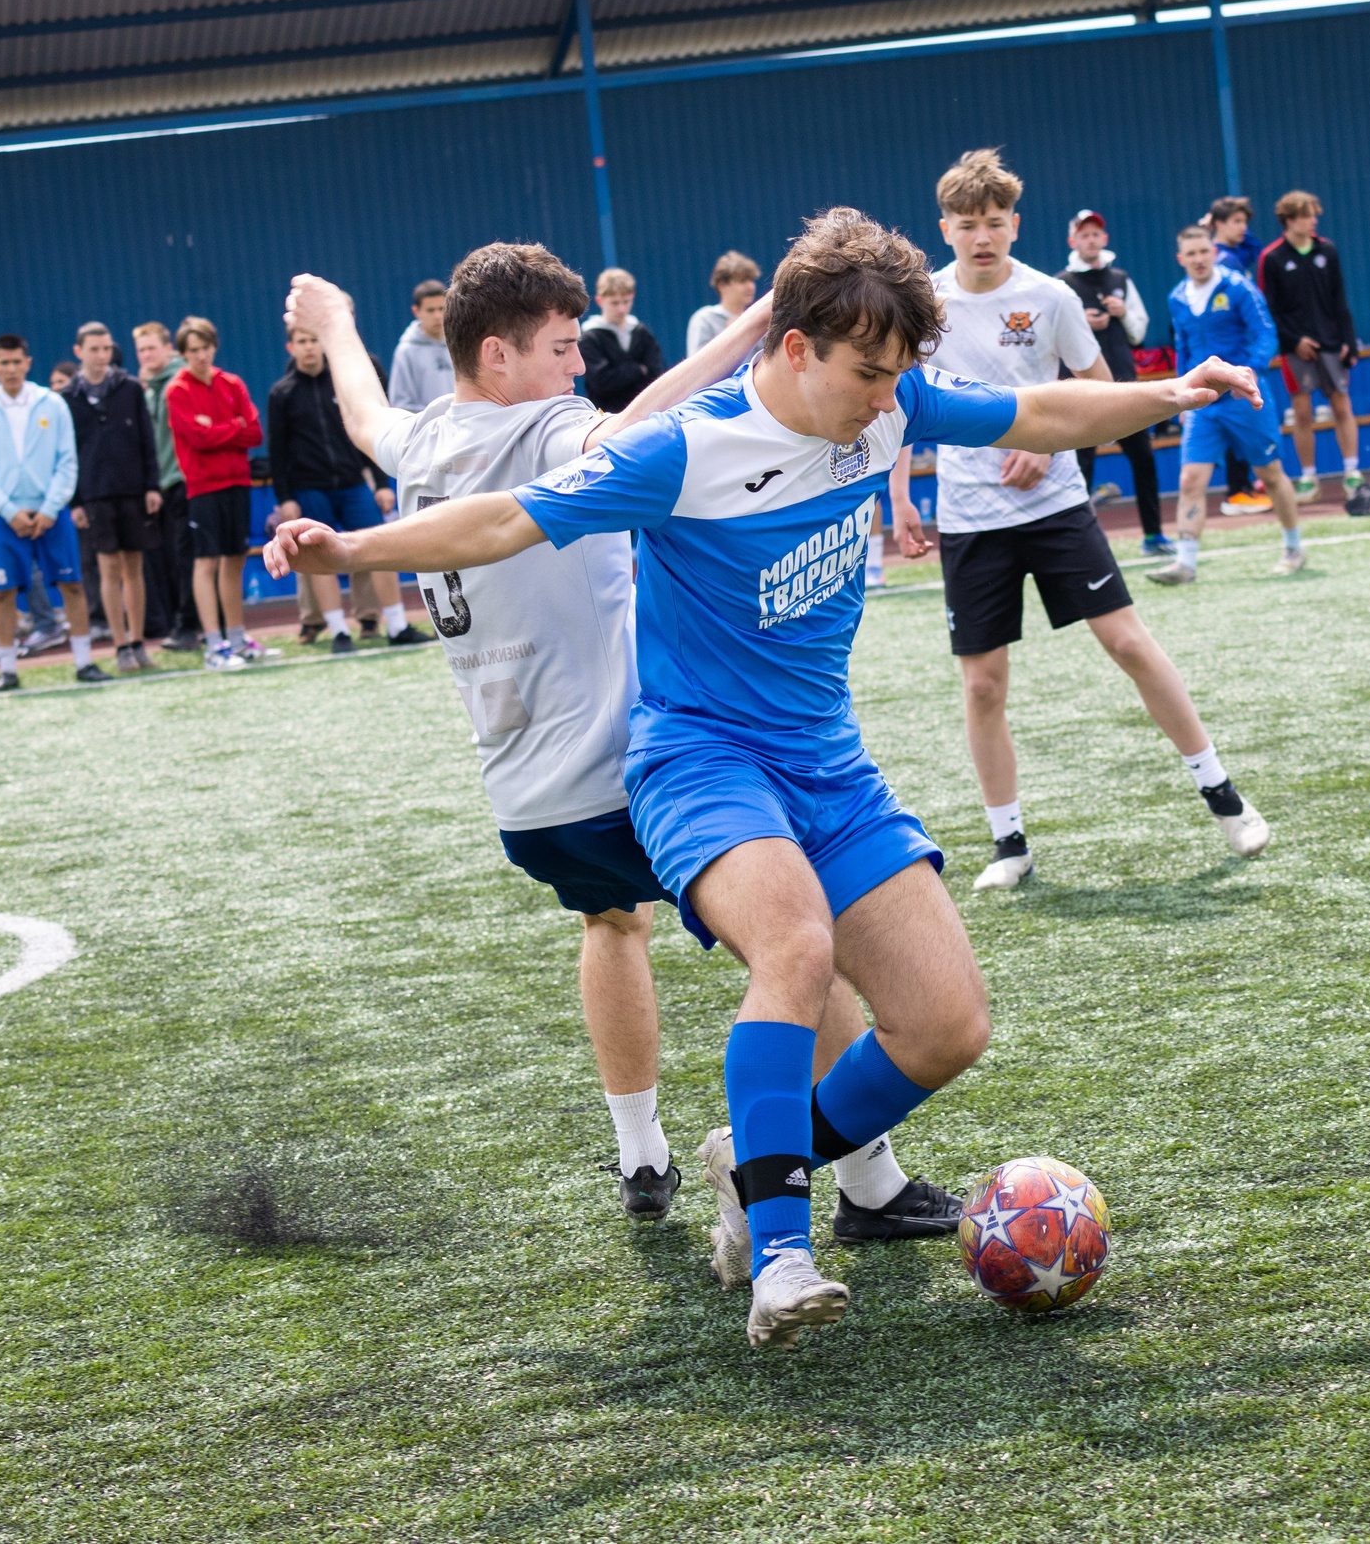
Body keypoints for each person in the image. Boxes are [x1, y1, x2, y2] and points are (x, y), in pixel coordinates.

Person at [268, 207, 1263, 1349]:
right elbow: (499, 523)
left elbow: (1037, 411)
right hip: (699, 759)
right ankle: (780, 1258)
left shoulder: (892, 407)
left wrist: (1173, 392)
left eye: (898, 376)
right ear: (795, 347)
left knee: (947, 1026)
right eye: (867, 374)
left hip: (826, 763)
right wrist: (348, 552)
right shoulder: (685, 449)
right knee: (794, 946)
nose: (887, 399)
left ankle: (756, 1156)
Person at [276, 248, 950, 1242]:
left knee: (612, 923)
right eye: (561, 348)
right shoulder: (548, 429)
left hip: (529, 801)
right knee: (798, 942)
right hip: (634, 769)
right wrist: (761, 322)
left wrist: (336, 320)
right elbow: (652, 424)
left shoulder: (419, 442)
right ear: (497, 357)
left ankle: (640, 1154)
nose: (578, 367)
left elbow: (363, 412)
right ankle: (866, 1179)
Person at [891, 149, 1271, 893]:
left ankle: (1224, 795)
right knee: (982, 686)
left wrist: (1051, 444)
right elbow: (900, 402)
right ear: (945, 229)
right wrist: (900, 498)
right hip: (969, 517)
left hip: (1056, 505)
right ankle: (1009, 844)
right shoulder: (922, 306)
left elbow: (1103, 394)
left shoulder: (1051, 296)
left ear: (1015, 223)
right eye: (967, 224)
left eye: (994, 222)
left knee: (1128, 642)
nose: (981, 236)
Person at [1146, 222, 1305, 585]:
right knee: (1190, 479)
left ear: (1214, 253)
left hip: (1244, 398)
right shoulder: (1177, 297)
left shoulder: (1238, 287)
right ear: (1180, 259)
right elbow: (1183, 347)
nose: (1199, 259)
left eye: (1205, 251)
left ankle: (1294, 548)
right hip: (1203, 403)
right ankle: (1185, 564)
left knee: (1269, 473)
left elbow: (1265, 333)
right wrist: (1181, 397)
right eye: (1191, 254)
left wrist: (1248, 373)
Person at [266, 322, 425, 653]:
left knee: (380, 548)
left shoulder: (341, 384)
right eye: (302, 341)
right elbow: (277, 452)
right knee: (318, 557)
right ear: (291, 348)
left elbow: (364, 436)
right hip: (310, 489)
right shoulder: (282, 393)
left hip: (353, 484)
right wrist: (285, 498)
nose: (309, 346)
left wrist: (380, 484)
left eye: (314, 340)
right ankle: (339, 632)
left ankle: (398, 625)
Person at [0, 335, 101, 690]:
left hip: (52, 514)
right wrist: (9, 511)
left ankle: (84, 662)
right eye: (4, 363)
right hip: (5, 517)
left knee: (72, 585)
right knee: (4, 592)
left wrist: (50, 508)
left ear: (28, 363)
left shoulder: (52, 404)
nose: (11, 369)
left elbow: (67, 460)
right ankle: (7, 670)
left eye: (17, 362)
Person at [1058, 209, 1170, 552]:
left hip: (1124, 385)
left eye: (1096, 234)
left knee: (1144, 460)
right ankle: (1081, 545)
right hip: (1080, 391)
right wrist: (1081, 322)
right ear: (1073, 241)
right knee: (1081, 468)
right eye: (1084, 234)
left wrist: (1123, 315)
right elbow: (1053, 338)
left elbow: (1139, 332)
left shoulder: (1121, 278)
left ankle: (1153, 535)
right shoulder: (1061, 284)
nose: (1091, 240)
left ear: (1104, 239)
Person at [59, 323, 164, 672]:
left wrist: (152, 485)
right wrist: (75, 502)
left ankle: (138, 643)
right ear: (79, 352)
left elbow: (147, 440)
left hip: (133, 489)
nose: (102, 355)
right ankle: (120, 646)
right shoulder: (68, 398)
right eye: (94, 349)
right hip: (95, 495)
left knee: (134, 568)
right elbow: (67, 453)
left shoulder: (129, 388)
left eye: (106, 348)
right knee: (108, 568)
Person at [166, 317, 265, 666]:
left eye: (205, 347)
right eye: (193, 350)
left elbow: (255, 433)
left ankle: (236, 639)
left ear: (214, 347)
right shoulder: (177, 390)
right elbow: (198, 439)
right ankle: (213, 645)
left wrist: (218, 429)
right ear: (183, 353)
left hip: (237, 482)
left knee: (235, 558)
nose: (200, 355)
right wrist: (233, 426)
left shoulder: (231, 383)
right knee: (206, 561)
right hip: (203, 488)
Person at [1257, 190, 1362, 500]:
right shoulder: (1272, 258)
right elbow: (1269, 310)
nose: (1314, 221)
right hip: (1295, 350)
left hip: (1332, 344)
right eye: (1307, 216)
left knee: (1342, 406)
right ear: (1289, 221)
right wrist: (1294, 341)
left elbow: (1340, 300)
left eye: (1315, 215)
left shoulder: (1327, 250)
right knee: (1302, 413)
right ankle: (1308, 478)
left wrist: (1349, 341)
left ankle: (1352, 472)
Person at [131, 324, 197, 653]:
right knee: (175, 559)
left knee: (190, 558)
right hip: (164, 485)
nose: (146, 355)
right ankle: (184, 623)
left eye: (151, 348)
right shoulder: (149, 390)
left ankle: (192, 626)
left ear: (169, 347)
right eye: (141, 350)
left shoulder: (181, 381)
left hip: (187, 480)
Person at [1202, 196, 1263, 512]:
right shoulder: (1223, 260)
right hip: (1227, 352)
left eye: (1245, 222)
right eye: (1236, 222)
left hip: (1236, 350)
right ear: (1219, 224)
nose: (1243, 228)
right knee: (1236, 418)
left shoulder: (1234, 253)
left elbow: (1255, 248)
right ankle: (1237, 490)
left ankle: (1243, 486)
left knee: (1241, 417)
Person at [579, 268, 666, 413]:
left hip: (646, 412)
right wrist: (639, 369)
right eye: (614, 303)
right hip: (608, 416)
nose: (621, 309)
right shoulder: (590, 338)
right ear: (600, 300)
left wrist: (619, 375)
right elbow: (600, 382)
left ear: (633, 297)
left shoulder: (642, 333)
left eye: (626, 302)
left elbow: (657, 375)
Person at [388, 281, 452, 415]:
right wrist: (435, 419)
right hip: (428, 427)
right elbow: (401, 404)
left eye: (441, 308)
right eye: (430, 310)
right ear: (416, 311)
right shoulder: (406, 351)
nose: (437, 316)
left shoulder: (460, 343)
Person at [688, 252, 761, 356]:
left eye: (751, 280)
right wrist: (731, 335)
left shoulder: (756, 319)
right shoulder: (705, 319)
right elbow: (697, 362)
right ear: (722, 286)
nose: (750, 286)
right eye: (742, 281)